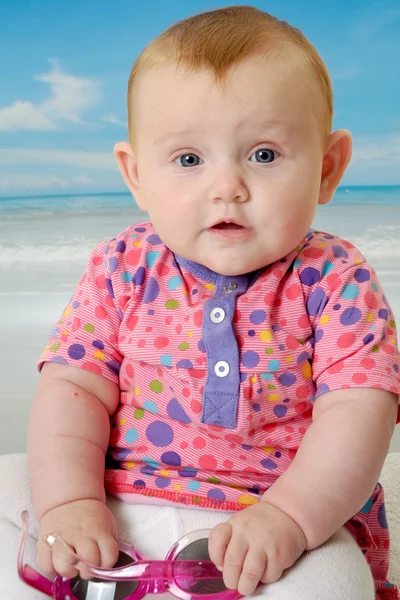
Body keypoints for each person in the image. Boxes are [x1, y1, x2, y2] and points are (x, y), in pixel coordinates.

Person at [1, 5, 399, 600]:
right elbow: (74, 388)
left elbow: (359, 409)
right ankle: (94, 571)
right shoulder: (124, 263)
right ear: (137, 176)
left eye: (263, 155)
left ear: (327, 167)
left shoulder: (333, 277)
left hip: (266, 526)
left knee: (335, 582)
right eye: (189, 160)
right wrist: (71, 503)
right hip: (114, 499)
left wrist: (289, 518)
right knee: (11, 483)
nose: (226, 187)